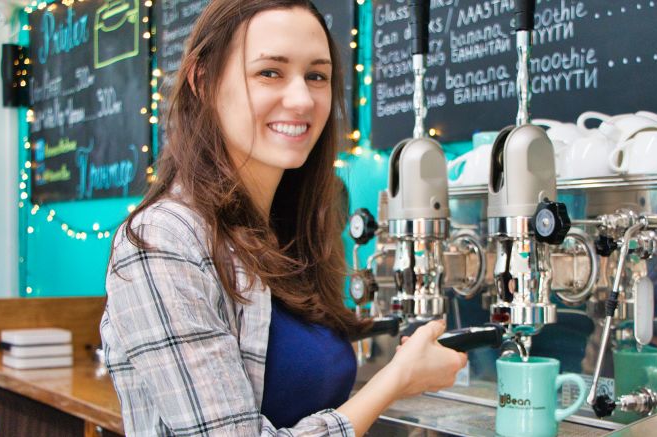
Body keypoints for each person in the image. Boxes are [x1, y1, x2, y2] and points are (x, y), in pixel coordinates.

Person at [99, 1, 468, 436]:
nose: (301, 100)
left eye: (317, 76)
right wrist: (396, 380)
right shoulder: (161, 240)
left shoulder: (293, 229)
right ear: (203, 80)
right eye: (270, 72)